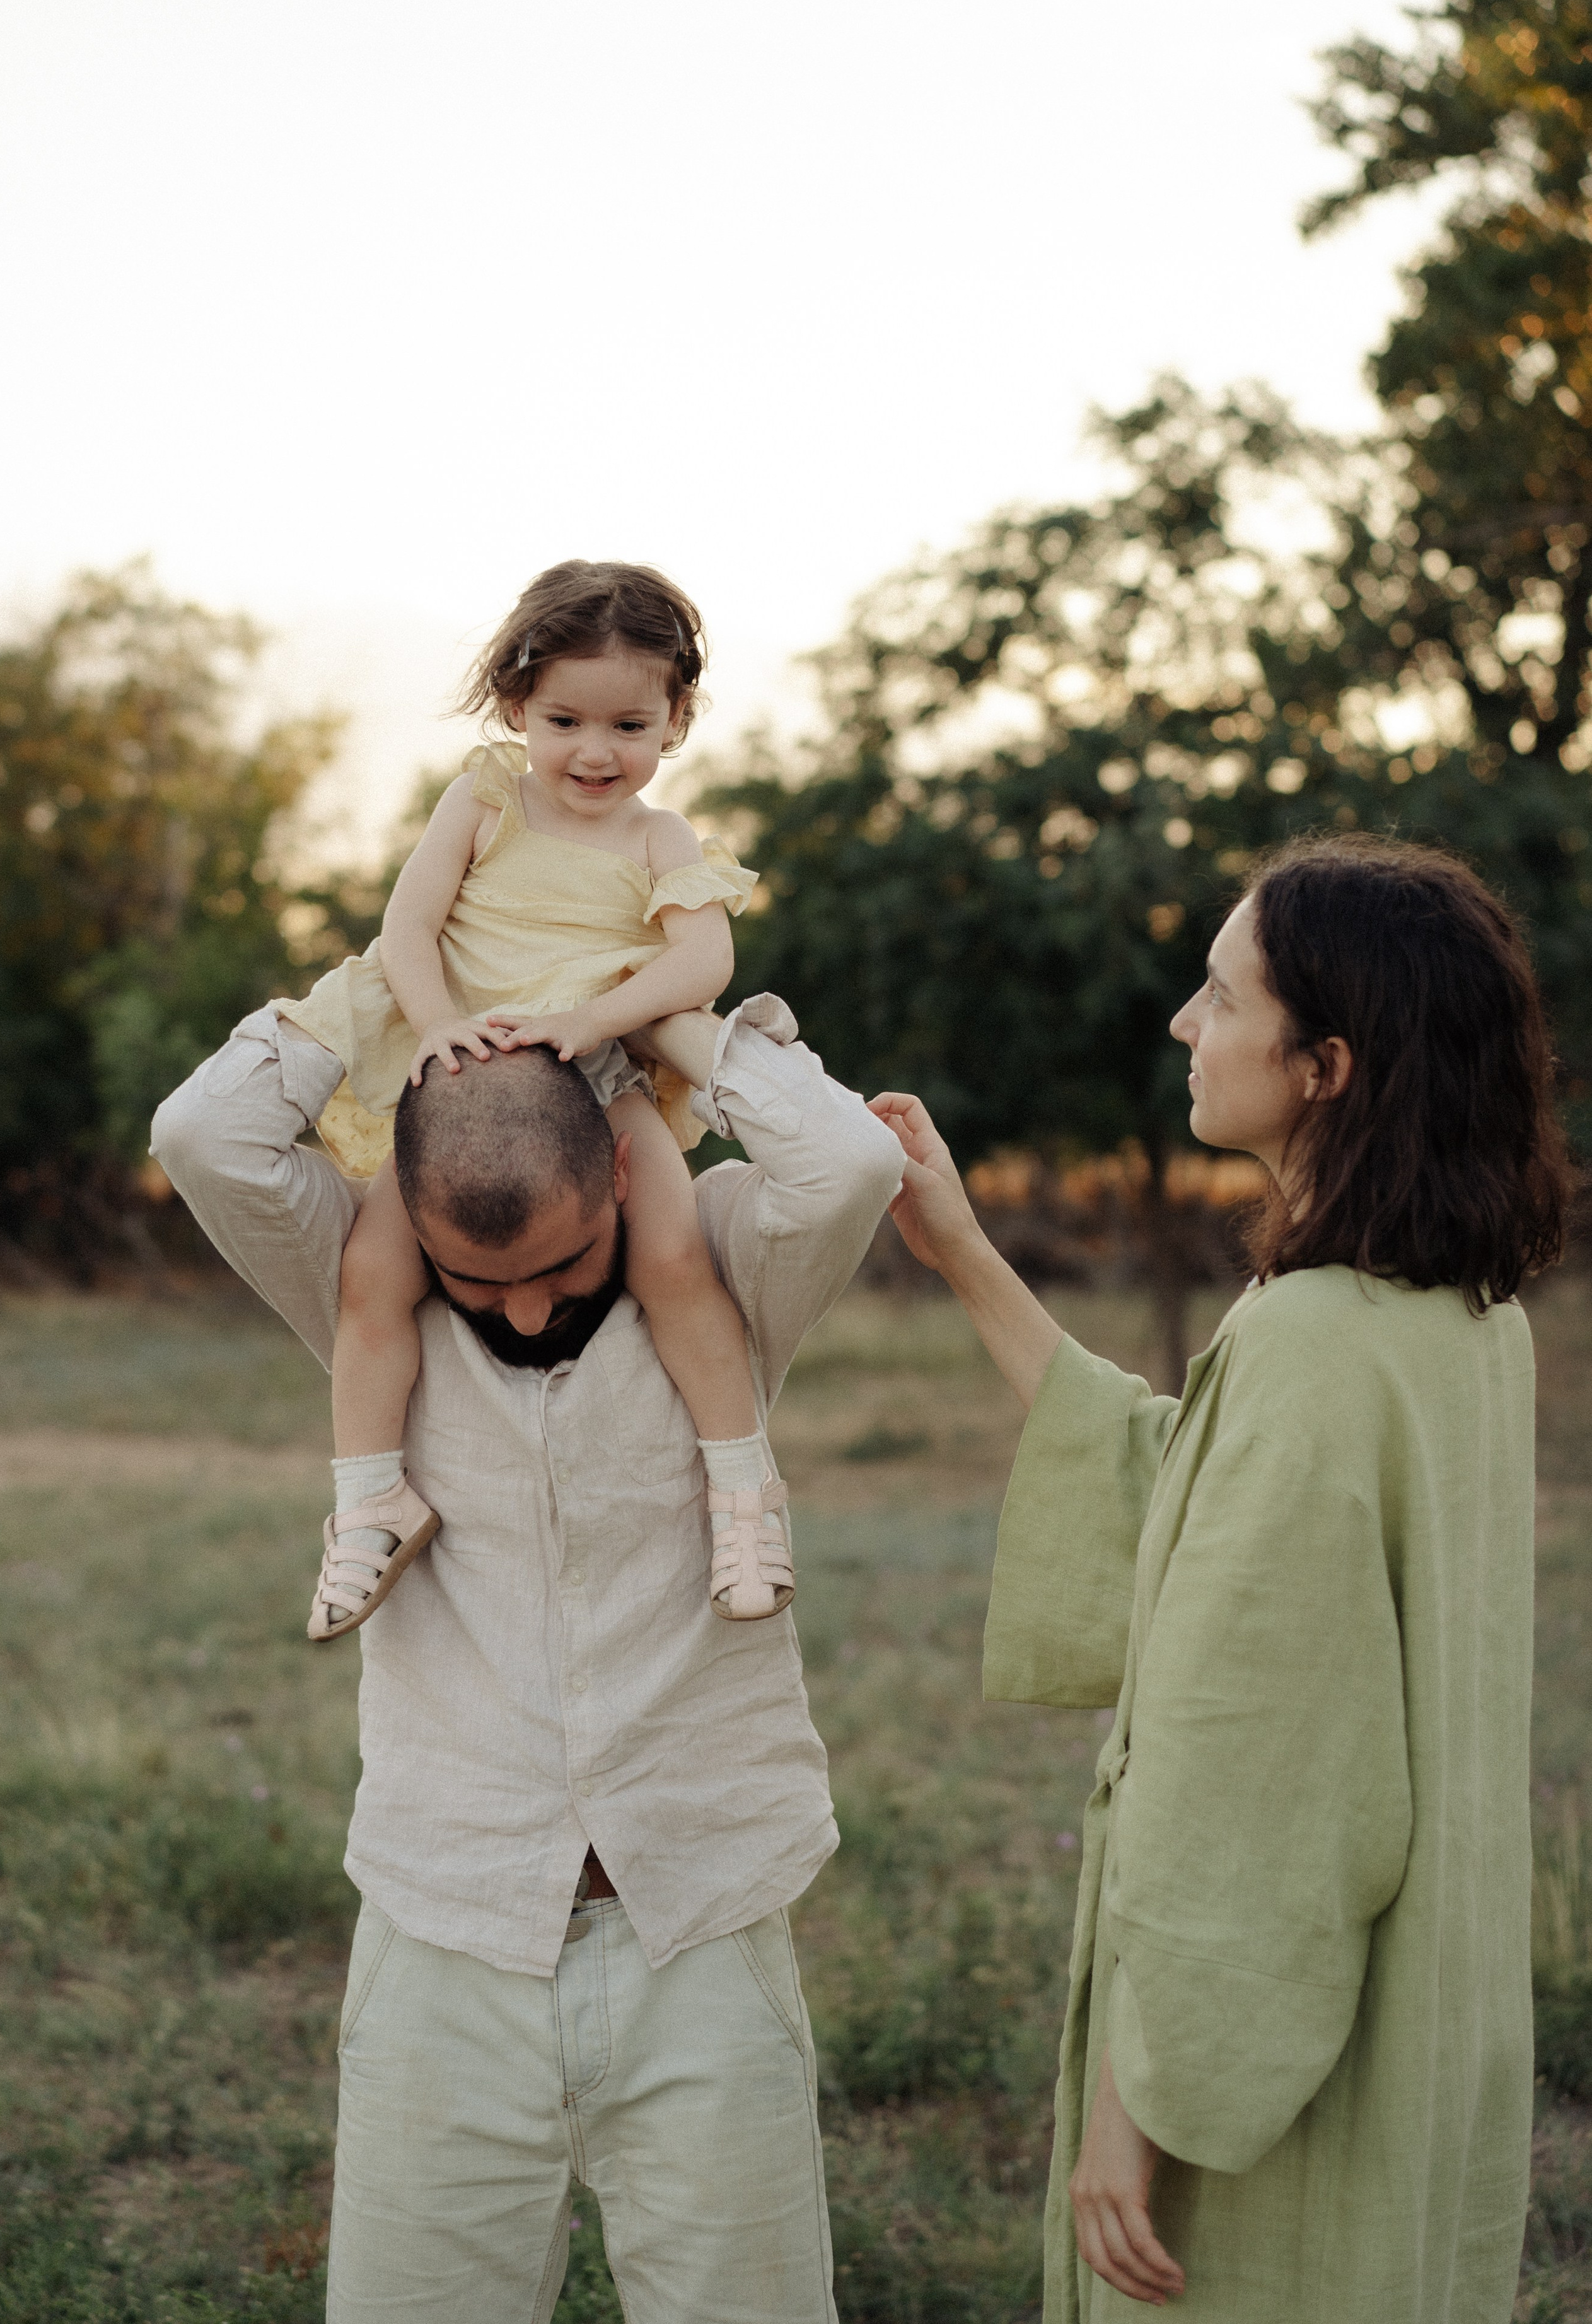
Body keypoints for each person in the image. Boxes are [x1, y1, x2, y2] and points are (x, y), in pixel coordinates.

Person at [868, 834, 1567, 2322]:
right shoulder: (1454, 1323)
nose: (1183, 1024)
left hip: (1272, 2086)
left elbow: (1259, 1774)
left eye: (1218, 994)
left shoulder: (1312, 1344)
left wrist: (1132, 2110)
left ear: (1324, 1064)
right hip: (1420, 2019)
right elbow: (1179, 1491)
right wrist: (962, 1251)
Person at [151, 983, 904, 2321]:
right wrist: (400, 987)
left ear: (623, 1175)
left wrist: (634, 1006)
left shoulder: (723, 1267)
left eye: (562, 1263)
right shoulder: (360, 1291)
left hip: (703, 1925)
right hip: (446, 1927)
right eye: (475, 1278)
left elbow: (846, 1159)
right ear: (403, 1221)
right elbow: (206, 1136)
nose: (525, 1307)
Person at [265, 559, 792, 1642]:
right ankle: (370, 1497)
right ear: (517, 706)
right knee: (373, 1273)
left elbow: (702, 961)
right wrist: (441, 1021)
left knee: (677, 1261)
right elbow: (408, 927)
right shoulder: (486, 796)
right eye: (564, 720)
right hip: (461, 1078)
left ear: (676, 717)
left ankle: (743, 1494)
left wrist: (592, 1023)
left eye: (630, 724)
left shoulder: (661, 840)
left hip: (594, 1077)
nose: (595, 753)